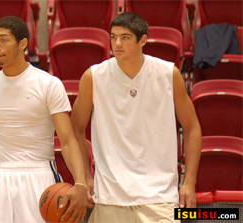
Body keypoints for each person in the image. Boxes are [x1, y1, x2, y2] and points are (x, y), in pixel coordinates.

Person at [71, 12, 202, 223]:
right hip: (109, 195)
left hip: (159, 196)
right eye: (113, 37)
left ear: (143, 40)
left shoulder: (169, 73)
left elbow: (192, 127)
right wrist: (84, 177)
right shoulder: (93, 76)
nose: (117, 43)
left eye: (125, 37)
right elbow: (75, 129)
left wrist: (189, 182)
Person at [0, 16, 89, 223]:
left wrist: (80, 183)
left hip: (39, 173)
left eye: (4, 40)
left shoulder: (48, 84)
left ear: (23, 43)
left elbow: (68, 140)